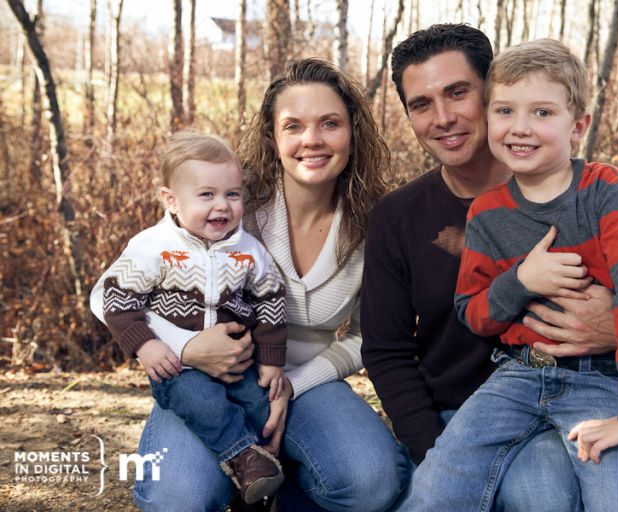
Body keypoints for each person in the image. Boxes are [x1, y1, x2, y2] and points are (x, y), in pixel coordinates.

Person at [360, 24, 618, 511]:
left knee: (546, 494)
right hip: (468, 413)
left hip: (580, 392)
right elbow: (387, 352)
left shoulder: (590, 194)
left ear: (490, 91)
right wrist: (430, 451)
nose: (443, 117)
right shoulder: (399, 217)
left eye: (458, 93)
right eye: (421, 104)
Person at [91, 58, 409, 512]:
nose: (312, 140)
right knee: (177, 497)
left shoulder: (373, 223)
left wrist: (292, 385)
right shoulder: (232, 204)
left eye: (330, 123)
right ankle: (240, 468)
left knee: (372, 481)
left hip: (304, 382)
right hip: (205, 380)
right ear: (273, 136)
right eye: (293, 125)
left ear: (352, 132)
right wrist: (185, 348)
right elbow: (107, 293)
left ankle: (281, 491)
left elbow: (366, 337)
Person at [91, 132, 288, 505]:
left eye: (232, 194)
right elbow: (116, 297)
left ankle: (259, 489)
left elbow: (271, 300)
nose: (222, 206)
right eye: (206, 195)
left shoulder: (248, 250)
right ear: (171, 200)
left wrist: (272, 360)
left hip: (239, 365)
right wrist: (146, 344)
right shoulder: (153, 247)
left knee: (262, 409)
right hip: (179, 368)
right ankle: (244, 459)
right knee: (203, 403)